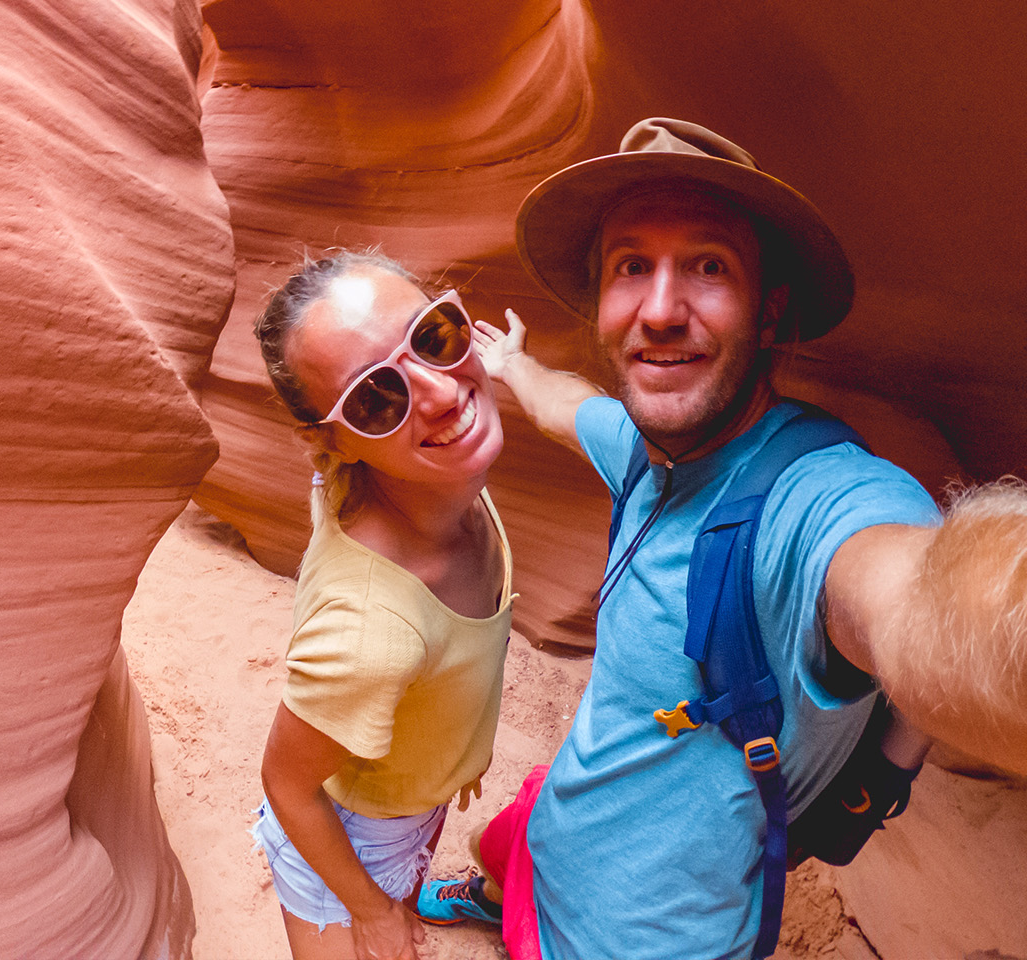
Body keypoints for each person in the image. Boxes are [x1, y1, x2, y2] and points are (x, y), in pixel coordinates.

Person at [412, 117, 1027, 959]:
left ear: (770, 312)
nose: (660, 310)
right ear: (600, 304)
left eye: (709, 266)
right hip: (571, 814)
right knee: (507, 844)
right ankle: (492, 893)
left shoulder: (816, 500)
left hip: (641, 937)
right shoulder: (640, 445)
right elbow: (566, 407)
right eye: (633, 265)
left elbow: (926, 598)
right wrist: (516, 366)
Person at [248, 251, 513, 960]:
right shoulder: (370, 631)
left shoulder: (425, 477)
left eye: (434, 337)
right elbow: (287, 781)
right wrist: (369, 912)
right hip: (349, 835)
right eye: (376, 398)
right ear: (331, 443)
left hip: (405, 799)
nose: (437, 394)